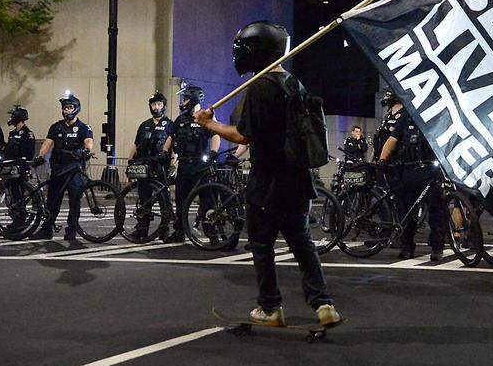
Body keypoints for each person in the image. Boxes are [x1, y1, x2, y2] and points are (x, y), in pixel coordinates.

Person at [195, 21, 340, 328]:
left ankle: (270, 307)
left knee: (262, 245)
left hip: (268, 179)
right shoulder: (293, 84)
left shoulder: (260, 87)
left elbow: (244, 136)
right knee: (302, 243)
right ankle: (323, 304)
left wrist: (209, 124)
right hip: (298, 180)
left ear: (257, 51)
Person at [377, 104, 447, 261]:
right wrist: (382, 159)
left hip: (430, 170)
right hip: (408, 169)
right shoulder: (406, 117)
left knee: (436, 210)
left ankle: (437, 248)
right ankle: (407, 247)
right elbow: (392, 139)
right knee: (406, 211)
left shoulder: (437, 117)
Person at [33, 92, 93, 241]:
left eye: (70, 107)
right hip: (58, 168)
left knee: (75, 201)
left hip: (74, 170)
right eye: (65, 108)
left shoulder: (83, 127)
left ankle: (71, 230)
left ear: (77, 109)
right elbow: (47, 143)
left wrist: (86, 150)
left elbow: (88, 141)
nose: (67, 110)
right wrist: (40, 157)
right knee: (53, 200)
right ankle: (47, 229)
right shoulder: (56, 127)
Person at [169, 83, 221, 244]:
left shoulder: (205, 116)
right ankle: (179, 232)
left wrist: (213, 153)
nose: (182, 102)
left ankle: (212, 234)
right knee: (181, 200)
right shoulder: (180, 119)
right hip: (184, 165)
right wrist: (166, 152)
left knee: (207, 201)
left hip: (201, 166)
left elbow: (216, 135)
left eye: (185, 99)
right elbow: (172, 138)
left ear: (193, 99)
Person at [128, 91, 176, 240]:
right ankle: (142, 229)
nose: (156, 107)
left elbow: (174, 145)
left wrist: (174, 162)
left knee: (164, 199)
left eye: (159, 104)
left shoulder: (170, 125)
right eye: (153, 104)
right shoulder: (144, 125)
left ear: (164, 106)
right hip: (144, 165)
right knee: (144, 198)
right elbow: (136, 145)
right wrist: (130, 163)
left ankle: (164, 229)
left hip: (161, 166)